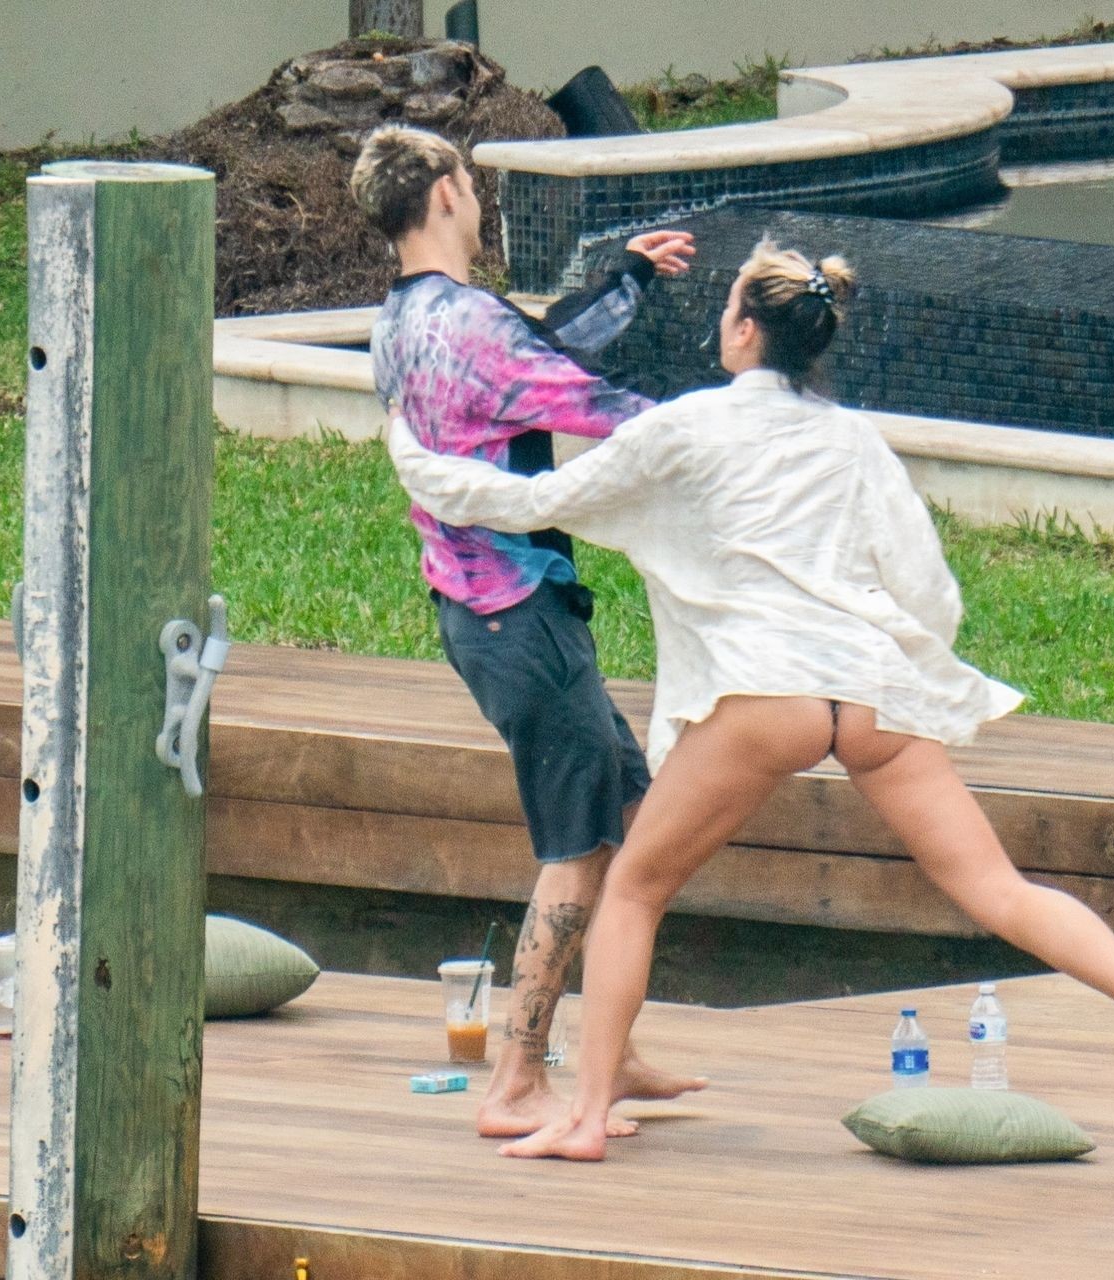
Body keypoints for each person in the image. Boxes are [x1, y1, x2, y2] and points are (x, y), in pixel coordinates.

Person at [386, 237, 1114, 1161]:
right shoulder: (853, 440)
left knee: (633, 889)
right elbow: (931, 593)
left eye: (728, 309)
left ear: (747, 330)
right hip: (868, 694)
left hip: (765, 694)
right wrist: (899, 657)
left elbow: (532, 499)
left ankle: (584, 1118)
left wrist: (411, 454)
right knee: (996, 888)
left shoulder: (692, 425)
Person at [351, 123, 705, 1137]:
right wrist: (743, 425)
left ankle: (609, 1051)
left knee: (632, 818)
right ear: (446, 193)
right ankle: (517, 1078)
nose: (479, 195)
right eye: (470, 178)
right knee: (579, 845)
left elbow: (536, 353)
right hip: (519, 619)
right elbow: (592, 400)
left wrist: (625, 279)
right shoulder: (467, 327)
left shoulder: (401, 321)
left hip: (483, 612)